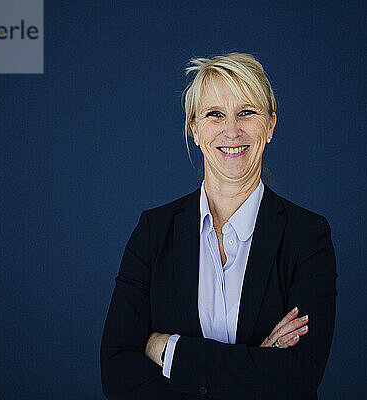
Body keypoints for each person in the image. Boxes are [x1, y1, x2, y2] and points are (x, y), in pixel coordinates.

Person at [100, 52, 337, 399]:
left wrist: (169, 349)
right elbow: (117, 374)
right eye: (215, 114)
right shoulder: (153, 232)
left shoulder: (308, 235)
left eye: (246, 112)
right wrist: (258, 361)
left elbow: (299, 375)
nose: (231, 130)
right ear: (195, 129)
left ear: (270, 125)